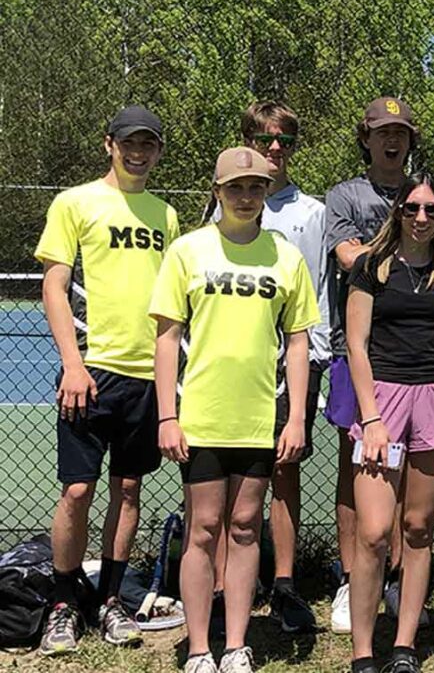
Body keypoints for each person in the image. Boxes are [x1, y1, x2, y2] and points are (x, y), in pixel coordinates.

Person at [151, 147, 319, 673]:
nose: (246, 197)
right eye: (236, 188)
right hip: (202, 415)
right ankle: (200, 647)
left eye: (255, 188)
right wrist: (167, 415)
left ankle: (237, 645)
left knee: (246, 525)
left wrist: (294, 417)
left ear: (266, 192)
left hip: (258, 418)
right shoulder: (187, 251)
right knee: (203, 527)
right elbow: (166, 337)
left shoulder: (285, 256)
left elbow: (298, 342)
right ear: (218, 192)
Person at [34, 105, 180, 656]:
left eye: (148, 144)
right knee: (77, 491)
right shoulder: (74, 203)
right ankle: (63, 604)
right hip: (90, 372)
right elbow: (53, 287)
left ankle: (111, 600)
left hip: (146, 377)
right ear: (109, 144)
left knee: (129, 488)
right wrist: (73, 364)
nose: (138, 153)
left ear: (157, 151)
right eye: (129, 143)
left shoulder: (166, 216)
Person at [206, 101, 331, 635]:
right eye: (264, 138)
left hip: (292, 364)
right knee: (221, 478)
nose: (275, 148)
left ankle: (283, 585)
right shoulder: (220, 209)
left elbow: (317, 290)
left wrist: (314, 357)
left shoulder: (314, 212)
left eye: (285, 139)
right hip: (228, 368)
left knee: (284, 469)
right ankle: (221, 586)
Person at [345, 173, 434, 673]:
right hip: (381, 401)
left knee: (418, 527)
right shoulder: (370, 268)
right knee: (374, 532)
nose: (421, 218)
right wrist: (372, 418)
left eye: (431, 210)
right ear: (398, 211)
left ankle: (403, 646)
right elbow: (356, 345)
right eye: (412, 208)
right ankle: (363, 651)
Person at [323, 97, 420, 633]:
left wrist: (377, 255)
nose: (392, 141)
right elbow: (346, 256)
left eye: (400, 133)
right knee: (357, 463)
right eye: (383, 133)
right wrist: (405, 259)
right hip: (354, 348)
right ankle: (350, 577)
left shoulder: (420, 194)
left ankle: (396, 577)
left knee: (404, 471)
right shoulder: (345, 195)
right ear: (366, 139)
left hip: (413, 353)